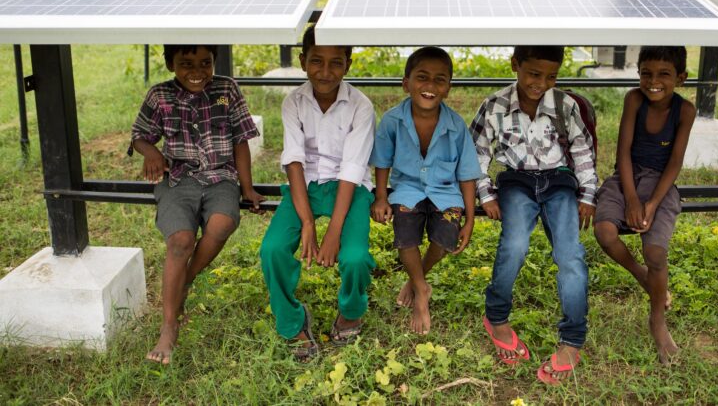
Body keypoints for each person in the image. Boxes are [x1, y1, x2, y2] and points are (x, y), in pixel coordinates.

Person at [470, 45, 597, 385]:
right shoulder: (494, 105)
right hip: (516, 182)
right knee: (514, 245)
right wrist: (486, 194)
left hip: (559, 183)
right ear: (516, 65)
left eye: (551, 76)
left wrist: (587, 193)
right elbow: (477, 155)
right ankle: (497, 317)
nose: (540, 83)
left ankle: (572, 339)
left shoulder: (565, 106)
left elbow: (583, 151)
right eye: (533, 74)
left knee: (571, 256)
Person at [131, 44, 263, 365]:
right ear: (169, 63)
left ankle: (185, 281)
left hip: (221, 177)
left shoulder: (226, 89)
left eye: (205, 63)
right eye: (186, 63)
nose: (197, 71)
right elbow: (139, 135)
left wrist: (247, 188)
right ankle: (168, 326)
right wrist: (152, 153)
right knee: (180, 241)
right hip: (178, 179)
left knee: (222, 223)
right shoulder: (159, 95)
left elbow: (241, 139)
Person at [259, 26, 375, 361]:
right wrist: (308, 223)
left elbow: (352, 170)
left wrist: (333, 234)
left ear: (348, 64)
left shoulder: (361, 106)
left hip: (348, 188)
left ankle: (351, 310)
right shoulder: (293, 102)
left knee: (353, 256)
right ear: (302, 61)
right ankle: (292, 320)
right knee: (272, 249)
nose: (325, 72)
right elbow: (294, 162)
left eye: (335, 63)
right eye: (316, 61)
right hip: (305, 187)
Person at [593, 46, 695, 365]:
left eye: (664, 74)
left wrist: (651, 204)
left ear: (681, 77)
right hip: (626, 177)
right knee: (605, 233)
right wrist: (632, 198)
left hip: (661, 185)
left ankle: (657, 321)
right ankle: (642, 276)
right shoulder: (633, 99)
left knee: (656, 252)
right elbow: (623, 153)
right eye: (645, 73)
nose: (653, 81)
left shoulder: (685, 111)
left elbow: (675, 163)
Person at [370, 47, 481, 335]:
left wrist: (469, 218)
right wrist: (381, 197)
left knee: (446, 236)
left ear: (448, 88)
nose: (430, 86)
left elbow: (467, 174)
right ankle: (422, 291)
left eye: (439, 80)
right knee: (405, 231)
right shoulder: (393, 121)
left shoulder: (456, 126)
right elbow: (381, 161)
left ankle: (416, 280)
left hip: (446, 192)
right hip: (406, 189)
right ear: (406, 83)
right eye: (422, 77)